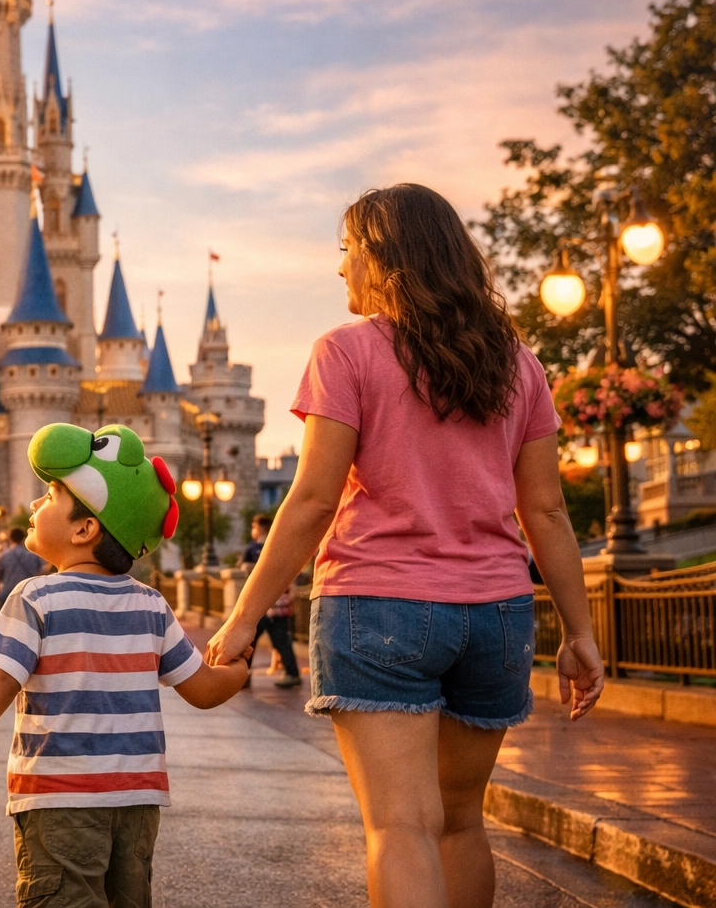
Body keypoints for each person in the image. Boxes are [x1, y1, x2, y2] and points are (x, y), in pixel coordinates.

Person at [206, 184, 606, 908]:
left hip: (378, 605)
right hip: (498, 615)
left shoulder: (346, 353)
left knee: (400, 826)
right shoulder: (518, 364)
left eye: (348, 252)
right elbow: (545, 511)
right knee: (460, 822)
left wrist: (242, 618)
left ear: (387, 260)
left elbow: (313, 501)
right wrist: (580, 633)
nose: (339, 271)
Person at [0, 423, 250, 905]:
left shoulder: (36, 597)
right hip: (136, 801)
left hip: (59, 798)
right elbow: (204, 690)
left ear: (85, 529)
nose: (34, 505)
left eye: (49, 496)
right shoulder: (151, 605)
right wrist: (239, 669)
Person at [240, 514, 302, 689]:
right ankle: (291, 673)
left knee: (249, 641)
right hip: (272, 603)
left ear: (259, 528)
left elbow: (245, 568)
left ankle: (243, 675)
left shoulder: (254, 548)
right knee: (278, 640)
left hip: (262, 604)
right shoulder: (280, 546)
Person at [0, 528, 46, 618]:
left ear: (10, 538)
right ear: (23, 538)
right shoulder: (33, 556)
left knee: (3, 620)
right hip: (28, 592)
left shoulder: (3, 556)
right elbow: (39, 573)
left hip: (8, 591)